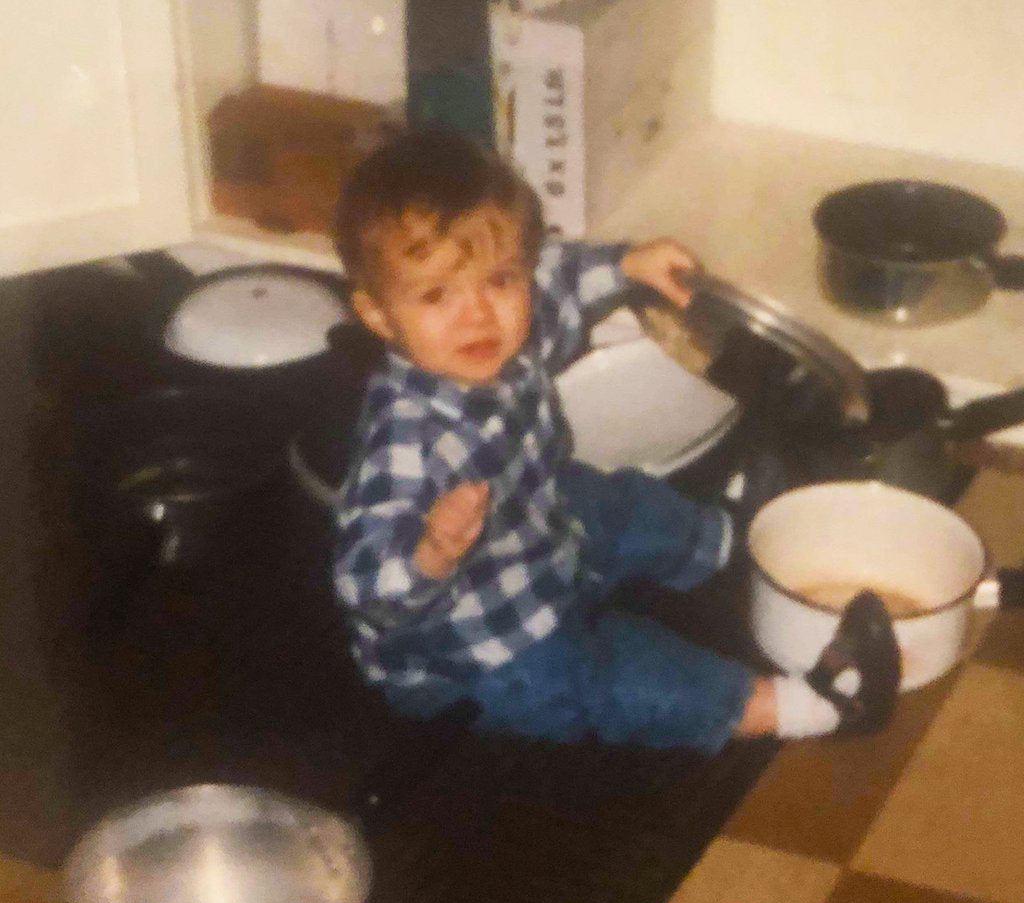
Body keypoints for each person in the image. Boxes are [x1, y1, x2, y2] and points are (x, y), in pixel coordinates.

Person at [330, 127, 901, 755]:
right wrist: (432, 550)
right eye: (436, 294)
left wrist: (628, 263)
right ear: (379, 316)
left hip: (539, 525)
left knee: (620, 503)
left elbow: (558, 282)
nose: (479, 314)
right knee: (616, 672)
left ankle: (733, 543)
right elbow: (365, 584)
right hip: (479, 648)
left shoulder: (494, 339)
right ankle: (801, 707)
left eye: (499, 280)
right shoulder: (406, 438)